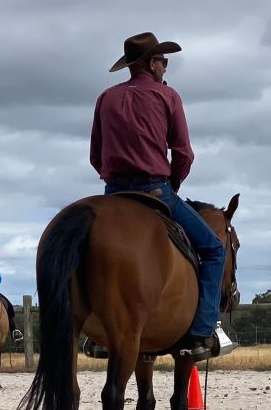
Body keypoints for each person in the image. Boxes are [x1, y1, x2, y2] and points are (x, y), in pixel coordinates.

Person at [90, 31, 228, 361]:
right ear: (152, 64)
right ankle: (201, 331)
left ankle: (96, 334)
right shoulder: (169, 97)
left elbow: (96, 156)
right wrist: (173, 186)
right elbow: (183, 154)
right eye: (164, 62)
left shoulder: (105, 98)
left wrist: (113, 180)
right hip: (155, 190)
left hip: (113, 194)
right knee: (214, 250)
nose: (165, 68)